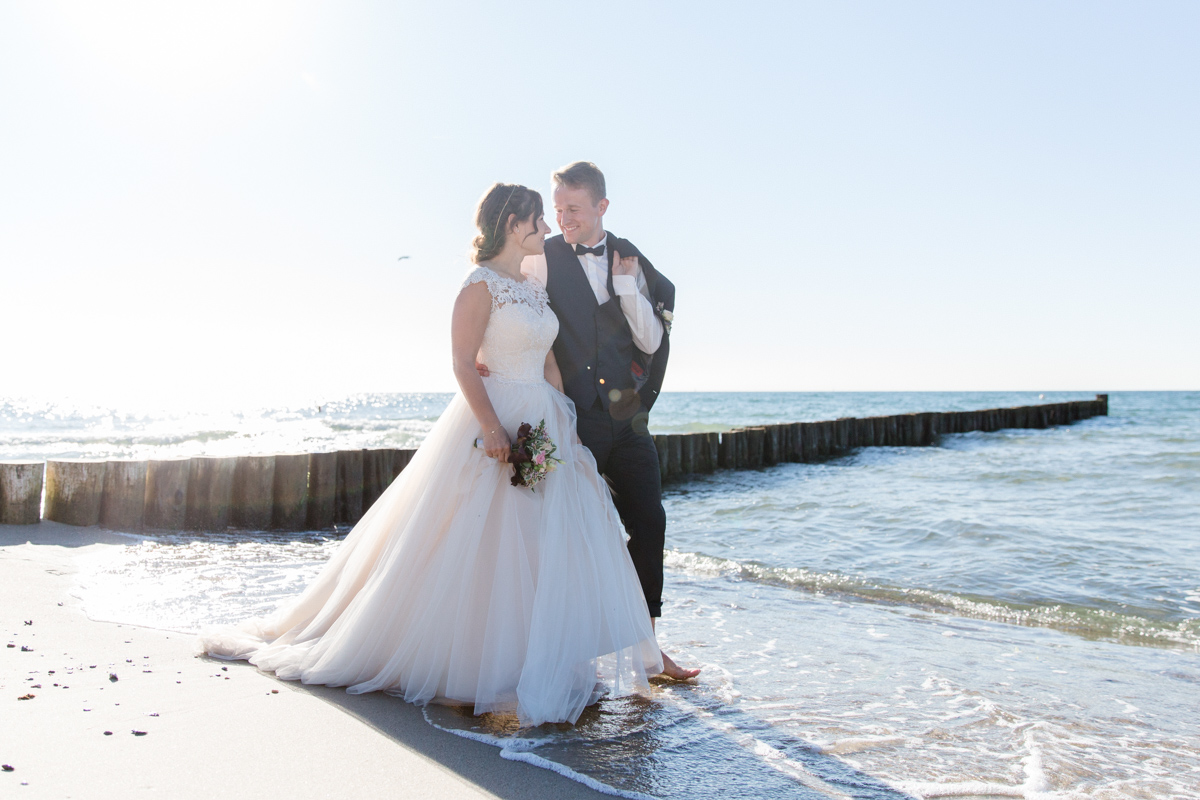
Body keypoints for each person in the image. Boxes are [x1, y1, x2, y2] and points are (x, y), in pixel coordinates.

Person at [200, 183, 663, 727]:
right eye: (539, 219)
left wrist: (567, 422)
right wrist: (491, 426)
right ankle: (469, 665)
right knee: (484, 539)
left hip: (544, 422)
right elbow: (463, 363)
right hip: (498, 417)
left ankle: (529, 657)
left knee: (537, 539)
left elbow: (548, 362)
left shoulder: (532, 288)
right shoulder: (479, 286)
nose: (546, 228)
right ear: (514, 224)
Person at [508, 162, 699, 681]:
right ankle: (562, 652)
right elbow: (512, 316)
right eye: (558, 209)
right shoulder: (539, 260)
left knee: (650, 523)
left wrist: (628, 288)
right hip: (573, 421)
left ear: (601, 208)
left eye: (573, 208)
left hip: (629, 421)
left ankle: (649, 651)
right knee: (567, 533)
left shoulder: (631, 259)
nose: (563, 218)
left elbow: (652, 342)